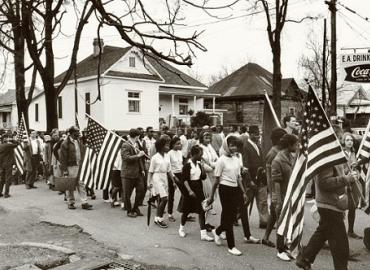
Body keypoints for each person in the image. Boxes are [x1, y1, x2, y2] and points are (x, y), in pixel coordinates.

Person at [296, 125, 356, 270]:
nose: (340, 141)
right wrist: (346, 179)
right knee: (340, 243)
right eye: (338, 138)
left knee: (323, 232)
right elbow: (324, 183)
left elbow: (336, 174)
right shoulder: (326, 157)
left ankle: (305, 257)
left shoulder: (332, 154)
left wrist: (349, 173)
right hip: (329, 204)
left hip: (332, 203)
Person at [207, 136, 248, 256]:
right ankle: (231, 246)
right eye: (231, 145)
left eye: (235, 145)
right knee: (229, 218)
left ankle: (217, 231)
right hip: (225, 189)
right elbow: (216, 180)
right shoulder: (221, 160)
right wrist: (211, 197)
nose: (233, 147)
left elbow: (238, 177)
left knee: (232, 216)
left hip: (235, 189)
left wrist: (244, 192)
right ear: (226, 146)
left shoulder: (236, 158)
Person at [271, 134, 299, 261]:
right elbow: (276, 181)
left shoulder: (289, 156)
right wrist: (278, 200)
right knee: (281, 222)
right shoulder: (278, 160)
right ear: (289, 145)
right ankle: (280, 249)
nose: (297, 146)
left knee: (289, 221)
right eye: (295, 144)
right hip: (282, 195)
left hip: (289, 194)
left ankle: (286, 245)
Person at [178, 145, 214, 241]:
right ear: (194, 154)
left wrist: (202, 168)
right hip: (189, 189)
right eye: (200, 154)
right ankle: (181, 228)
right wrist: (189, 191)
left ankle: (203, 234)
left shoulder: (198, 164)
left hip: (198, 189)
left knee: (202, 210)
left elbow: (203, 177)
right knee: (186, 211)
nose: (201, 156)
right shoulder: (187, 165)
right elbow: (184, 180)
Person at [262, 128, 287, 247]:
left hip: (280, 187)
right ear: (278, 140)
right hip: (276, 188)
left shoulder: (280, 150)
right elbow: (269, 175)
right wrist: (273, 193)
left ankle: (265, 237)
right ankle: (282, 243)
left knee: (273, 214)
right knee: (279, 214)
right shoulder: (273, 153)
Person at [242, 125, 269, 228]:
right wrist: (249, 181)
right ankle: (235, 216)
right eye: (256, 134)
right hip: (251, 179)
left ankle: (264, 221)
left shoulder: (258, 145)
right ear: (251, 134)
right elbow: (245, 165)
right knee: (246, 201)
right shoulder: (246, 146)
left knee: (263, 201)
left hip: (261, 178)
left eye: (259, 134)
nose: (258, 136)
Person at [60, 126, 92, 210]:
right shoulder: (65, 143)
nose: (78, 133)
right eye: (77, 131)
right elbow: (62, 158)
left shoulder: (79, 141)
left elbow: (82, 151)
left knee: (81, 184)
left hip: (79, 165)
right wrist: (65, 170)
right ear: (71, 133)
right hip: (70, 166)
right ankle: (70, 202)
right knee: (70, 185)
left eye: (78, 131)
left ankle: (84, 202)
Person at [148, 136, 174, 228]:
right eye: (167, 145)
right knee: (164, 198)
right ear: (161, 146)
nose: (169, 146)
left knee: (161, 199)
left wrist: (173, 181)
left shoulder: (167, 156)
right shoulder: (155, 158)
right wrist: (149, 182)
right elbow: (150, 171)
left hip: (164, 177)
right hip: (157, 177)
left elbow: (169, 170)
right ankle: (160, 218)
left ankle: (157, 219)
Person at [121, 128, 146, 218]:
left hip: (137, 172)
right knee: (127, 193)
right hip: (128, 173)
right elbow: (126, 158)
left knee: (141, 189)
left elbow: (139, 160)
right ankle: (129, 210)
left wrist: (142, 169)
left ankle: (135, 208)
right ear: (137, 136)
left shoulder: (136, 144)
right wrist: (138, 155)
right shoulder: (126, 145)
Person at [342, 132, 362, 239]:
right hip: (343, 183)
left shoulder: (355, 153)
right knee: (341, 207)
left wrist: (357, 171)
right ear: (343, 142)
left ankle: (350, 230)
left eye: (351, 140)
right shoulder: (341, 154)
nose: (350, 142)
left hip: (353, 183)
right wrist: (347, 171)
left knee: (352, 207)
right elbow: (339, 169)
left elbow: (358, 168)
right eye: (347, 140)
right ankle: (337, 231)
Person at [199, 131, 218, 215]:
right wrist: (211, 166)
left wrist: (215, 164)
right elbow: (203, 161)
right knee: (207, 190)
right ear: (201, 138)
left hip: (213, 170)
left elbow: (216, 157)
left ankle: (210, 205)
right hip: (206, 171)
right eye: (205, 137)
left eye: (209, 137)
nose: (208, 138)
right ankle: (208, 206)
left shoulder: (210, 146)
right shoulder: (200, 147)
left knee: (213, 190)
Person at [167, 137, 183, 222]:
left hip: (181, 174)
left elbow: (181, 165)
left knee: (185, 193)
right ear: (173, 145)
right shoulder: (169, 153)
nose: (180, 145)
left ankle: (184, 212)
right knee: (171, 195)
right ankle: (170, 214)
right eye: (178, 144)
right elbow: (168, 167)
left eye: (180, 143)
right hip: (172, 175)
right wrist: (173, 177)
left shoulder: (180, 152)